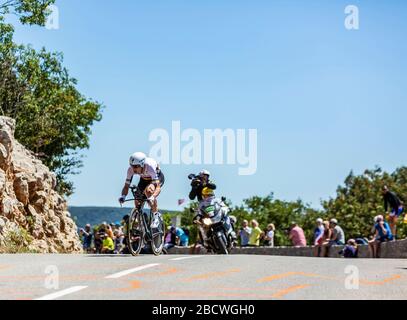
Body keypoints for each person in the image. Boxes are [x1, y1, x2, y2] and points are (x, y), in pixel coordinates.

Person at [119, 152, 165, 228]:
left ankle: (155, 216)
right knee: (137, 197)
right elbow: (126, 186)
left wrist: (152, 197)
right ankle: (140, 222)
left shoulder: (150, 166)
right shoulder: (130, 170)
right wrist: (123, 196)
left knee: (148, 191)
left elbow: (157, 187)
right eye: (132, 166)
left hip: (156, 178)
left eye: (136, 166)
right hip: (144, 179)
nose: (134, 169)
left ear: (142, 164)